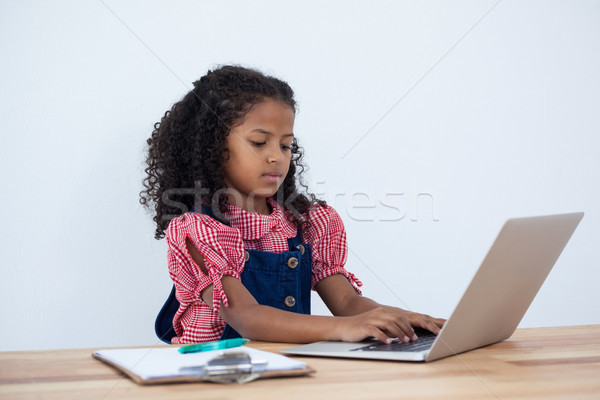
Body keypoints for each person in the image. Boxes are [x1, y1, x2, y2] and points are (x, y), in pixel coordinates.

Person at [140, 65, 445, 345]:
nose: (277, 156)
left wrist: (401, 319)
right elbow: (247, 318)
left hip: (286, 369)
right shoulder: (199, 229)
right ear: (212, 147)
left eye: (285, 145)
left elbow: (347, 304)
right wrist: (342, 329)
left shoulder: (308, 223)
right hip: (213, 376)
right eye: (259, 142)